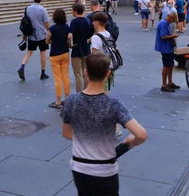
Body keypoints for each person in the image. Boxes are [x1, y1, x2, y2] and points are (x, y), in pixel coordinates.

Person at [61, 52, 147, 196]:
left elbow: (66, 132)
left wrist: (85, 138)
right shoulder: (113, 105)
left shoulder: (71, 101)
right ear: (107, 74)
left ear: (86, 73)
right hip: (105, 171)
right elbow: (141, 135)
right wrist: (132, 141)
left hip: (80, 169)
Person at [17, 0, 50, 81]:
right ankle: (43, 73)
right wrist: (50, 33)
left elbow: (25, 22)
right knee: (43, 53)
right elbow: (46, 24)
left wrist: (24, 35)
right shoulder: (43, 10)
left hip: (31, 35)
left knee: (29, 52)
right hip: (41, 35)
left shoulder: (28, 9)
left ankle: (22, 66)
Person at [45, 8, 72, 109]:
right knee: (66, 76)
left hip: (55, 54)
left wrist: (52, 42)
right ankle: (67, 99)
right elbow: (69, 38)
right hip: (65, 52)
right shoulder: (67, 27)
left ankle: (58, 101)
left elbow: (47, 41)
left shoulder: (52, 29)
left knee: (57, 78)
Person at [70, 2, 93, 93]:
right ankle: (86, 92)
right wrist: (89, 40)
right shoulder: (88, 21)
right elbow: (94, 32)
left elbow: (69, 35)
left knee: (78, 75)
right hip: (86, 50)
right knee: (86, 74)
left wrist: (69, 44)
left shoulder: (74, 22)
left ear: (75, 11)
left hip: (76, 50)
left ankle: (79, 94)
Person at [155, 11, 180, 93]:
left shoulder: (166, 23)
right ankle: (164, 84)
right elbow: (163, 36)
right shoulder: (163, 23)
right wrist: (173, 36)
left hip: (168, 47)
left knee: (170, 64)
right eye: (173, 20)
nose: (172, 22)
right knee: (166, 65)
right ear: (170, 17)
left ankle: (170, 82)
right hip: (165, 48)